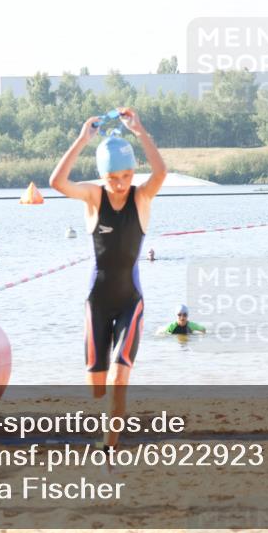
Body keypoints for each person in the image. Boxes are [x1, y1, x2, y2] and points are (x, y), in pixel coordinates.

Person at [48, 107, 167, 449]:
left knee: (118, 380)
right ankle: (111, 422)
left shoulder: (140, 197)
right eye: (113, 177)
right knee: (98, 389)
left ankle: (108, 448)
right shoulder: (94, 197)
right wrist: (81, 140)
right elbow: (57, 183)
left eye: (127, 176)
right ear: (103, 175)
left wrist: (140, 131)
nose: (120, 184)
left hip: (130, 301)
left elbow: (160, 172)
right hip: (97, 303)